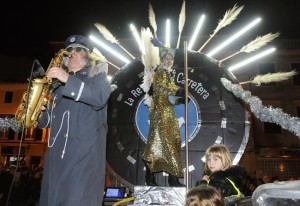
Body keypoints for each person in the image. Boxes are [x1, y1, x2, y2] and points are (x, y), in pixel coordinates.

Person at [38, 34, 112, 206]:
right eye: (69, 49)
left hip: (82, 160)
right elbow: (47, 122)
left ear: (87, 56)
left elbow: (100, 97)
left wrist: (67, 79)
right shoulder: (57, 87)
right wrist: (39, 112)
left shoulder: (97, 77)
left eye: (78, 49)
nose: (71, 52)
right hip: (55, 161)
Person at [141, 36, 185, 187]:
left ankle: (157, 176)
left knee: (171, 141)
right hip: (160, 111)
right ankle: (169, 178)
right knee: (164, 142)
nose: (169, 61)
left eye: (171, 58)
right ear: (161, 59)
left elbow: (169, 97)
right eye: (166, 57)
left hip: (166, 109)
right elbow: (159, 89)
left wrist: (181, 99)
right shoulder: (160, 71)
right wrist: (177, 89)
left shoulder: (167, 73)